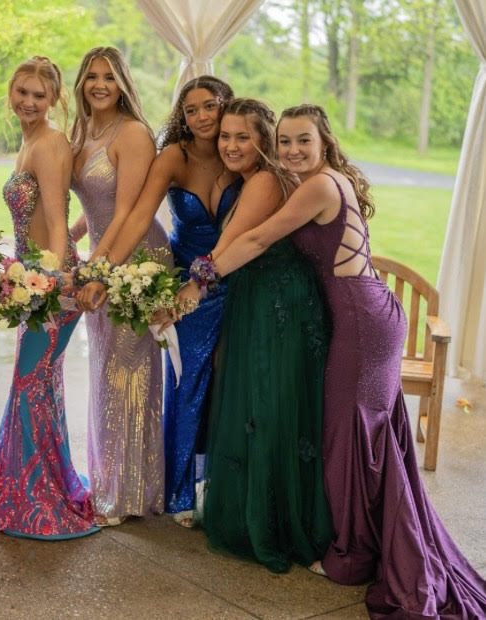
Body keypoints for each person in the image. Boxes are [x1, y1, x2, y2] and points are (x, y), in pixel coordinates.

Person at [192, 103, 486, 615]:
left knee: (348, 438)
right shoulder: (319, 179)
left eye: (303, 140)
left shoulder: (321, 185)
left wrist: (197, 281)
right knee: (362, 435)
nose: (292, 150)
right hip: (363, 314)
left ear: (324, 141)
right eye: (284, 141)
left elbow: (259, 237)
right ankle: (369, 538)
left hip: (360, 323)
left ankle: (351, 556)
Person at [178, 98, 332, 573]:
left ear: (262, 140)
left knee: (267, 407)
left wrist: (190, 289)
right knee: (251, 406)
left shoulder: (265, 180)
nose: (230, 145)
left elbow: (237, 247)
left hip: (277, 307)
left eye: (242, 136)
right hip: (258, 299)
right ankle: (248, 508)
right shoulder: (248, 180)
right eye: (224, 136)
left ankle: (270, 522)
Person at [77, 76, 238, 528]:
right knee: (187, 383)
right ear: (181, 117)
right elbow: (135, 215)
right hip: (185, 282)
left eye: (211, 106)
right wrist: (101, 270)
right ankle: (182, 494)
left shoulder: (239, 154)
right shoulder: (173, 156)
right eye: (192, 110)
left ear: (226, 106)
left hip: (236, 278)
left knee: (234, 386)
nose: (202, 117)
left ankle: (227, 489)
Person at [0, 56, 98, 540]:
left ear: (54, 99)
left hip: (53, 286)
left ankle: (37, 497)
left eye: (39, 95)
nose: (28, 101)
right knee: (36, 384)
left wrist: (50, 281)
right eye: (22, 92)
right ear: (11, 92)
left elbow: (54, 217)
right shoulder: (30, 139)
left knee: (31, 381)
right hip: (35, 276)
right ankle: (20, 484)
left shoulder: (49, 144)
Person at [68, 46, 166, 525]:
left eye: (108, 76)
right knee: (105, 369)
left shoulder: (134, 133)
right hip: (104, 253)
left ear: (123, 82)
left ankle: (126, 495)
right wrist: (73, 235)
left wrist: (99, 272)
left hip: (134, 259)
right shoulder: (85, 131)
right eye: (91, 76)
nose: (100, 84)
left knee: (128, 374)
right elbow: (97, 205)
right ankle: (111, 481)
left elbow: (127, 211)